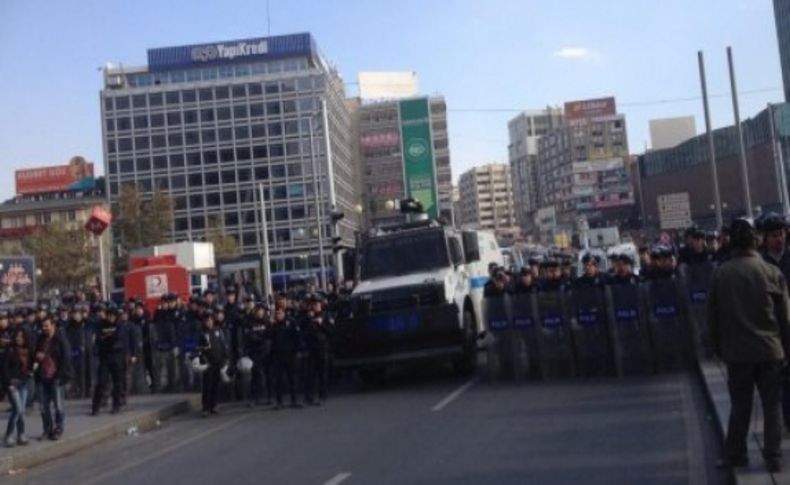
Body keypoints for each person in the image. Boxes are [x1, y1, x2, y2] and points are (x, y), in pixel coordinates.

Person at [708, 218, 790, 473]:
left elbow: (712, 317)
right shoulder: (771, 272)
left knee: (740, 406)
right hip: (770, 350)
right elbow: (785, 317)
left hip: (737, 352)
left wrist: (718, 347)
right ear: (756, 240)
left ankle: (736, 454)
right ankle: (774, 457)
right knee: (772, 406)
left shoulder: (721, 274)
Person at [92, 308, 136, 415]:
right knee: (101, 382)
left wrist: (106, 337)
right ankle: (95, 407)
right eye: (109, 315)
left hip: (117, 357)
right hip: (105, 357)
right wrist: (107, 338)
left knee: (118, 383)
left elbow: (117, 338)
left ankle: (116, 405)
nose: (111, 317)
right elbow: (98, 339)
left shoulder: (120, 325)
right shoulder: (101, 325)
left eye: (113, 315)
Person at [34, 315, 72, 441]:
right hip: (43, 376)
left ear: (53, 325)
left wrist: (61, 375)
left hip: (56, 377)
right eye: (43, 326)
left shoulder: (60, 339)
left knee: (58, 405)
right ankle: (47, 429)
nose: (44, 328)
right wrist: (37, 356)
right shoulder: (41, 339)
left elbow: (67, 357)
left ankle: (58, 428)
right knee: (44, 407)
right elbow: (36, 354)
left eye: (46, 326)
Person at [303, 294, 333, 405]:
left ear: (320, 304)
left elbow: (331, 331)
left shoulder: (326, 316)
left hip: (323, 348)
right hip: (311, 348)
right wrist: (309, 318)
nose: (314, 306)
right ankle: (309, 397)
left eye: (316, 304)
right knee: (310, 374)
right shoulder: (308, 317)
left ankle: (322, 396)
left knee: (322, 374)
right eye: (312, 304)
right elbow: (303, 330)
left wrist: (321, 324)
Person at [4, 328, 32, 447]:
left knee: (21, 411)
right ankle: (9, 435)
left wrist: (31, 371)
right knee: (17, 409)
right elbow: (4, 368)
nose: (18, 338)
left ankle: (21, 434)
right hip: (13, 383)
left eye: (21, 336)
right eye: (17, 336)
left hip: (24, 383)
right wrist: (9, 383)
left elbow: (31, 364)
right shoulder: (10, 350)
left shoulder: (28, 350)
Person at [198, 311, 227, 417]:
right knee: (207, 385)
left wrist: (225, 358)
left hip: (218, 361)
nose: (209, 322)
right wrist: (203, 352)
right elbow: (199, 348)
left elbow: (223, 345)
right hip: (208, 363)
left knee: (216, 384)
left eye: (210, 320)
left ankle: (214, 405)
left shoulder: (218, 331)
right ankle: (205, 407)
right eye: (207, 321)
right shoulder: (202, 333)